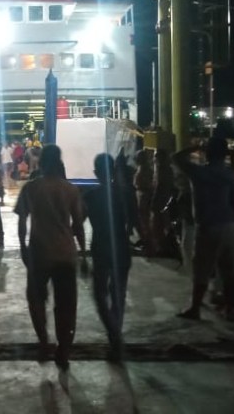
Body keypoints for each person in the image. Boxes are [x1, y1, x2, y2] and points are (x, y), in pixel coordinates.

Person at [15, 145, 85, 369]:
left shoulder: (31, 188)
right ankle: (63, 350)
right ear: (59, 162)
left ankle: (44, 342)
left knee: (36, 299)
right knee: (66, 305)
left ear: (42, 162)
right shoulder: (70, 189)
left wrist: (23, 247)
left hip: (39, 252)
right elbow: (78, 224)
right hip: (65, 253)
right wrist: (83, 252)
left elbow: (21, 221)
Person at [173, 137, 234, 320]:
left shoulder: (199, 172)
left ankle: (195, 308)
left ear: (207, 152)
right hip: (229, 225)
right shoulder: (229, 174)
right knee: (229, 270)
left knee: (202, 269)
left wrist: (196, 147)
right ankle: (230, 308)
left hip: (207, 227)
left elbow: (176, 158)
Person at [84, 153, 131, 361]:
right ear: (113, 170)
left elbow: (77, 223)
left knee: (100, 294)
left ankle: (114, 336)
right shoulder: (126, 194)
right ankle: (115, 335)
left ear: (96, 173)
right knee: (118, 294)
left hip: (101, 248)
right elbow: (136, 221)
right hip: (121, 247)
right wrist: (149, 241)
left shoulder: (90, 196)